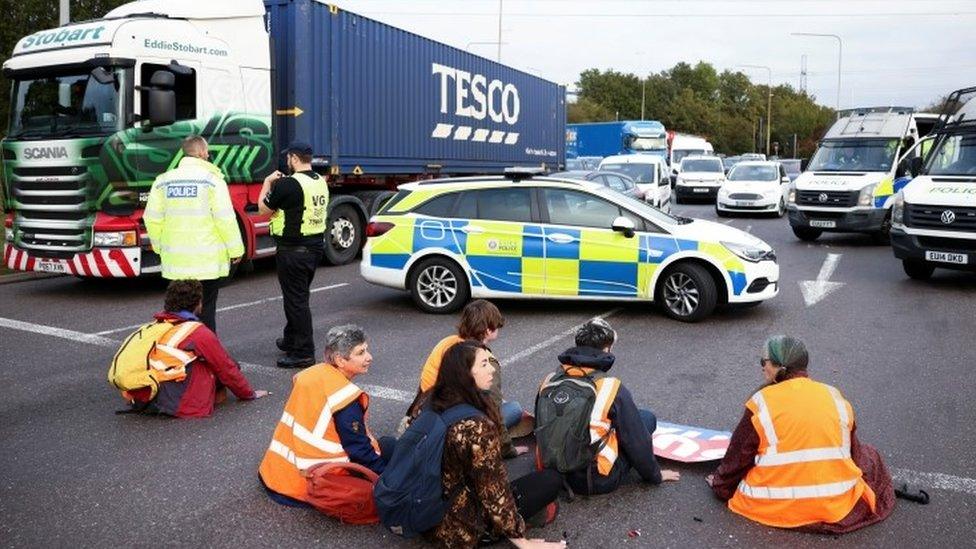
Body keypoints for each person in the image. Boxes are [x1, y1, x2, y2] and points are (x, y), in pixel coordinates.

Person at [706, 336, 895, 534]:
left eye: (765, 362)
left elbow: (737, 457)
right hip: (837, 505)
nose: (762, 367)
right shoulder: (834, 396)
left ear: (780, 367)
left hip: (772, 505)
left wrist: (720, 486)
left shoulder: (761, 403)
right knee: (870, 453)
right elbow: (853, 454)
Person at [428, 341, 566, 549]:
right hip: (455, 527)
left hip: (426, 511)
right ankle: (485, 534)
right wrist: (522, 540)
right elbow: (492, 491)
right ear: (466, 373)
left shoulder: (431, 400)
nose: (492, 368)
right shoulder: (475, 427)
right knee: (550, 480)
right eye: (484, 364)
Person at [259, 325, 395, 507]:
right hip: (311, 484)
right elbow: (358, 450)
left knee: (385, 446)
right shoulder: (344, 398)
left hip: (276, 474)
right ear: (340, 360)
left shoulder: (311, 374)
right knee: (392, 450)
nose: (369, 357)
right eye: (361, 352)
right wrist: (388, 479)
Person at [543, 318, 680, 495]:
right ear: (607, 349)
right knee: (646, 418)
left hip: (552, 472)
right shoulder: (609, 386)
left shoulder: (550, 380)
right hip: (593, 480)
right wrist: (655, 475)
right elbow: (636, 440)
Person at [123, 280, 268, 418]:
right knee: (224, 363)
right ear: (198, 304)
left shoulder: (156, 326)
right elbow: (226, 368)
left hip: (143, 396)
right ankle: (209, 397)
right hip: (176, 404)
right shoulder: (197, 332)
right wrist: (249, 394)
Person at [144, 135, 244, 333]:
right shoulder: (213, 181)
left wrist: (159, 247)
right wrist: (236, 250)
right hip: (206, 264)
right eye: (207, 151)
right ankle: (204, 356)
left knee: (178, 314)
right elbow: (225, 218)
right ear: (201, 153)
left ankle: (179, 352)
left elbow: (152, 218)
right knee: (205, 311)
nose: (208, 154)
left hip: (176, 264)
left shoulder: (162, 181)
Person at [405, 299, 526, 457]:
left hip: (424, 416)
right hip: (457, 428)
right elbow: (493, 411)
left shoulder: (446, 343)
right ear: (489, 330)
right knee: (514, 409)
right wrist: (508, 450)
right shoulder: (485, 359)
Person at [258, 142, 329, 369]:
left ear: (293, 159)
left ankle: (303, 353)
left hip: (293, 251)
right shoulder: (319, 181)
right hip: (314, 247)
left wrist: (267, 182)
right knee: (298, 297)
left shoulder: (288, 184)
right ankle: (291, 339)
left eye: (288, 158)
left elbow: (263, 209)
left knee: (296, 301)